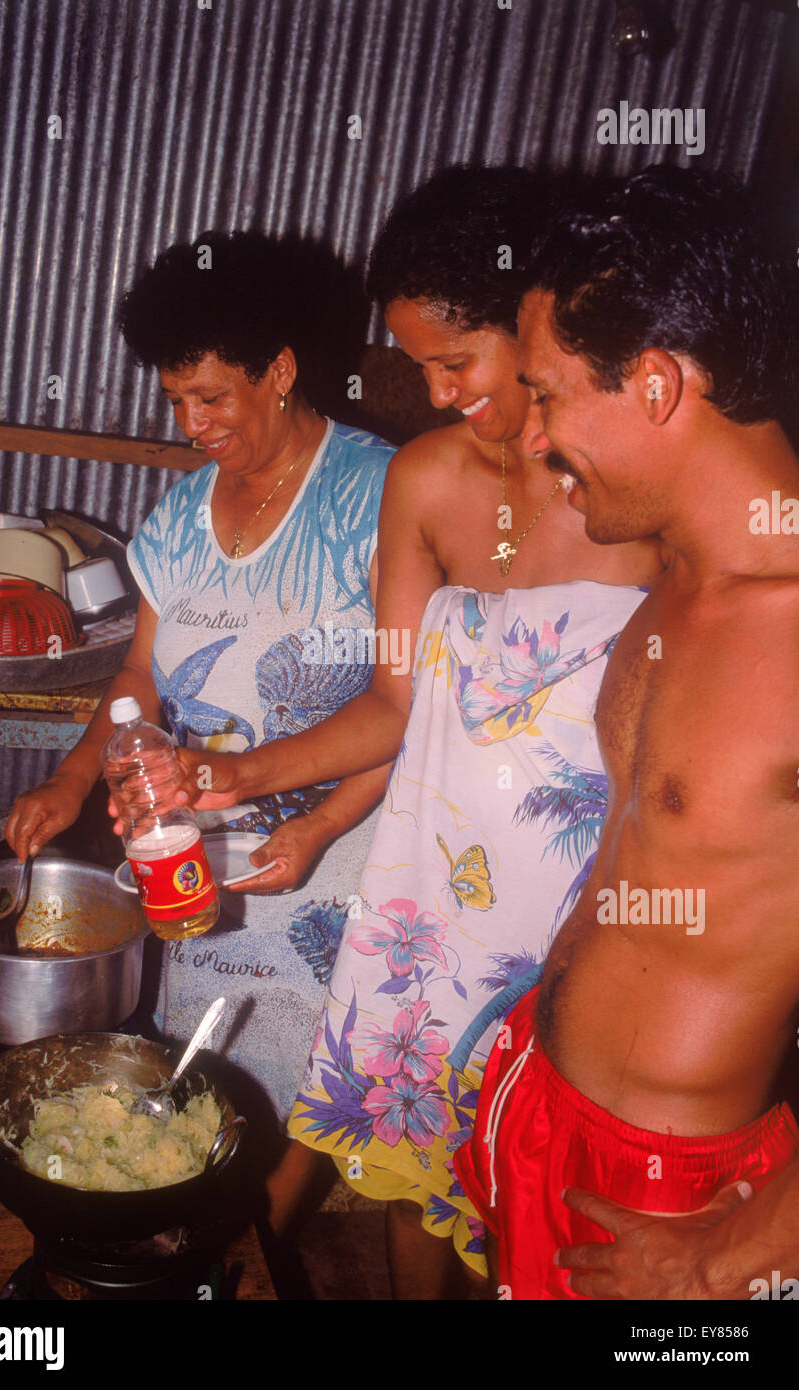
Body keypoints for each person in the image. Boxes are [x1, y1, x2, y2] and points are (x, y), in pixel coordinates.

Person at [186, 167, 661, 1295]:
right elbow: (394, 702)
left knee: (546, 1198)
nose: (439, 393)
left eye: (457, 361)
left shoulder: (638, 495)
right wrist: (232, 775)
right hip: (436, 902)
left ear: (537, 326)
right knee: (418, 1173)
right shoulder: (426, 481)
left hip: (588, 904)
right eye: (419, 367)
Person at [454, 165, 799, 1300]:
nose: (534, 438)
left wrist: (718, 1265)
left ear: (654, 384)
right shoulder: (675, 578)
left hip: (676, 1204)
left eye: (549, 396)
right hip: (544, 1106)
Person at [5, 230, 394, 1230]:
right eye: (176, 400)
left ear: (281, 371)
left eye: (212, 397)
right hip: (195, 867)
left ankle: (236, 1256)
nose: (191, 423)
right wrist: (70, 780)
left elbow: (418, 706)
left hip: (339, 868)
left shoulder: (381, 495)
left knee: (309, 1102)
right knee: (200, 1098)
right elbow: (138, 678)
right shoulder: (180, 517)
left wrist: (314, 822)